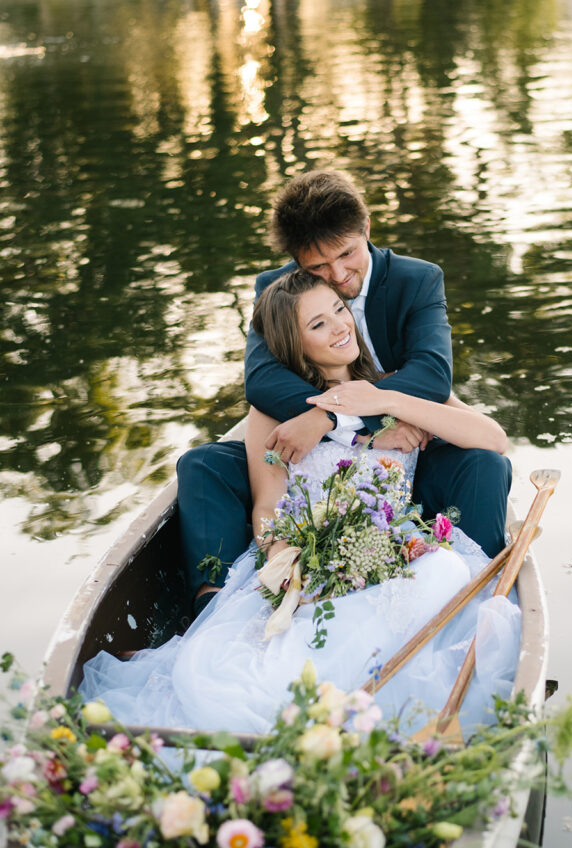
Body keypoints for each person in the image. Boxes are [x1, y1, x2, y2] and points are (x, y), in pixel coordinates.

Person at [80, 271, 520, 738]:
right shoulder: (274, 409)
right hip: (312, 556)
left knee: (447, 571)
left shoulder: (397, 387)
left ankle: (351, 681)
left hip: (393, 548)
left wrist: (387, 401)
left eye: (338, 308)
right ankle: (321, 691)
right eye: (317, 325)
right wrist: (281, 557)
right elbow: (268, 504)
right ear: (295, 345)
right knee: (223, 667)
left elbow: (493, 439)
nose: (338, 326)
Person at [177, 169, 512, 621]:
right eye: (316, 267)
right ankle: (209, 608)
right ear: (297, 262)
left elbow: (432, 376)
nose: (336, 276)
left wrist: (350, 415)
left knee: (485, 466)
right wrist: (343, 427)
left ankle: (479, 595)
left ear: (365, 230)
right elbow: (261, 384)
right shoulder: (276, 293)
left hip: (410, 445)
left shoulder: (419, 281)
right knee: (203, 464)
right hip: (309, 457)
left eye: (347, 254)